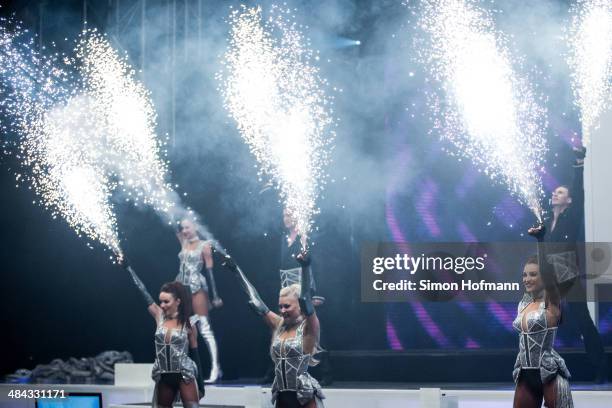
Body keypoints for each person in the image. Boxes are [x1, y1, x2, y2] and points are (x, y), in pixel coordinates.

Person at [222, 251, 325, 408]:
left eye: (287, 306)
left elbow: (305, 299)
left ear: (299, 306)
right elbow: (257, 302)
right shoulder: (279, 324)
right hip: (282, 396)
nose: (282, 310)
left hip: (303, 396)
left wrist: (305, 267)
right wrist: (236, 270)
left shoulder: (309, 327)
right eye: (280, 306)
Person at [542, 146, 607, 382]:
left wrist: (579, 163)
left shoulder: (572, 215)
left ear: (569, 200)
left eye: (560, 193)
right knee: (542, 324)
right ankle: (540, 371)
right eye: (554, 192)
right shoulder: (547, 222)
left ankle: (601, 368)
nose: (555, 195)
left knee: (583, 322)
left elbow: (578, 192)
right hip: (548, 278)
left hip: (568, 275)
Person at [122, 260, 204, 408]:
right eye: (161, 301)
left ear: (178, 301)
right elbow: (143, 291)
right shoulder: (159, 316)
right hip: (164, 376)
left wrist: (201, 385)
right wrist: (128, 269)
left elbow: (195, 353)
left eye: (166, 302)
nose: (162, 305)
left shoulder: (189, 323)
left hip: (184, 375)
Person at [512, 225, 573, 408]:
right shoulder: (523, 304)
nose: (527, 279)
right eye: (524, 275)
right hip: (524, 374)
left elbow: (548, 275)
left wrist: (540, 241)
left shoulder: (552, 303)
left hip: (549, 373)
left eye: (533, 274)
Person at [176, 218, 222, 383]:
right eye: (183, 228)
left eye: (188, 227)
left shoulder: (205, 245)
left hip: (197, 288)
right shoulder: (182, 240)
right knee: (183, 329)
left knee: (205, 329)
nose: (185, 231)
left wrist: (215, 295)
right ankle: (184, 368)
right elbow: (173, 224)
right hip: (182, 288)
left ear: (195, 226)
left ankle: (215, 368)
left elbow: (210, 271)